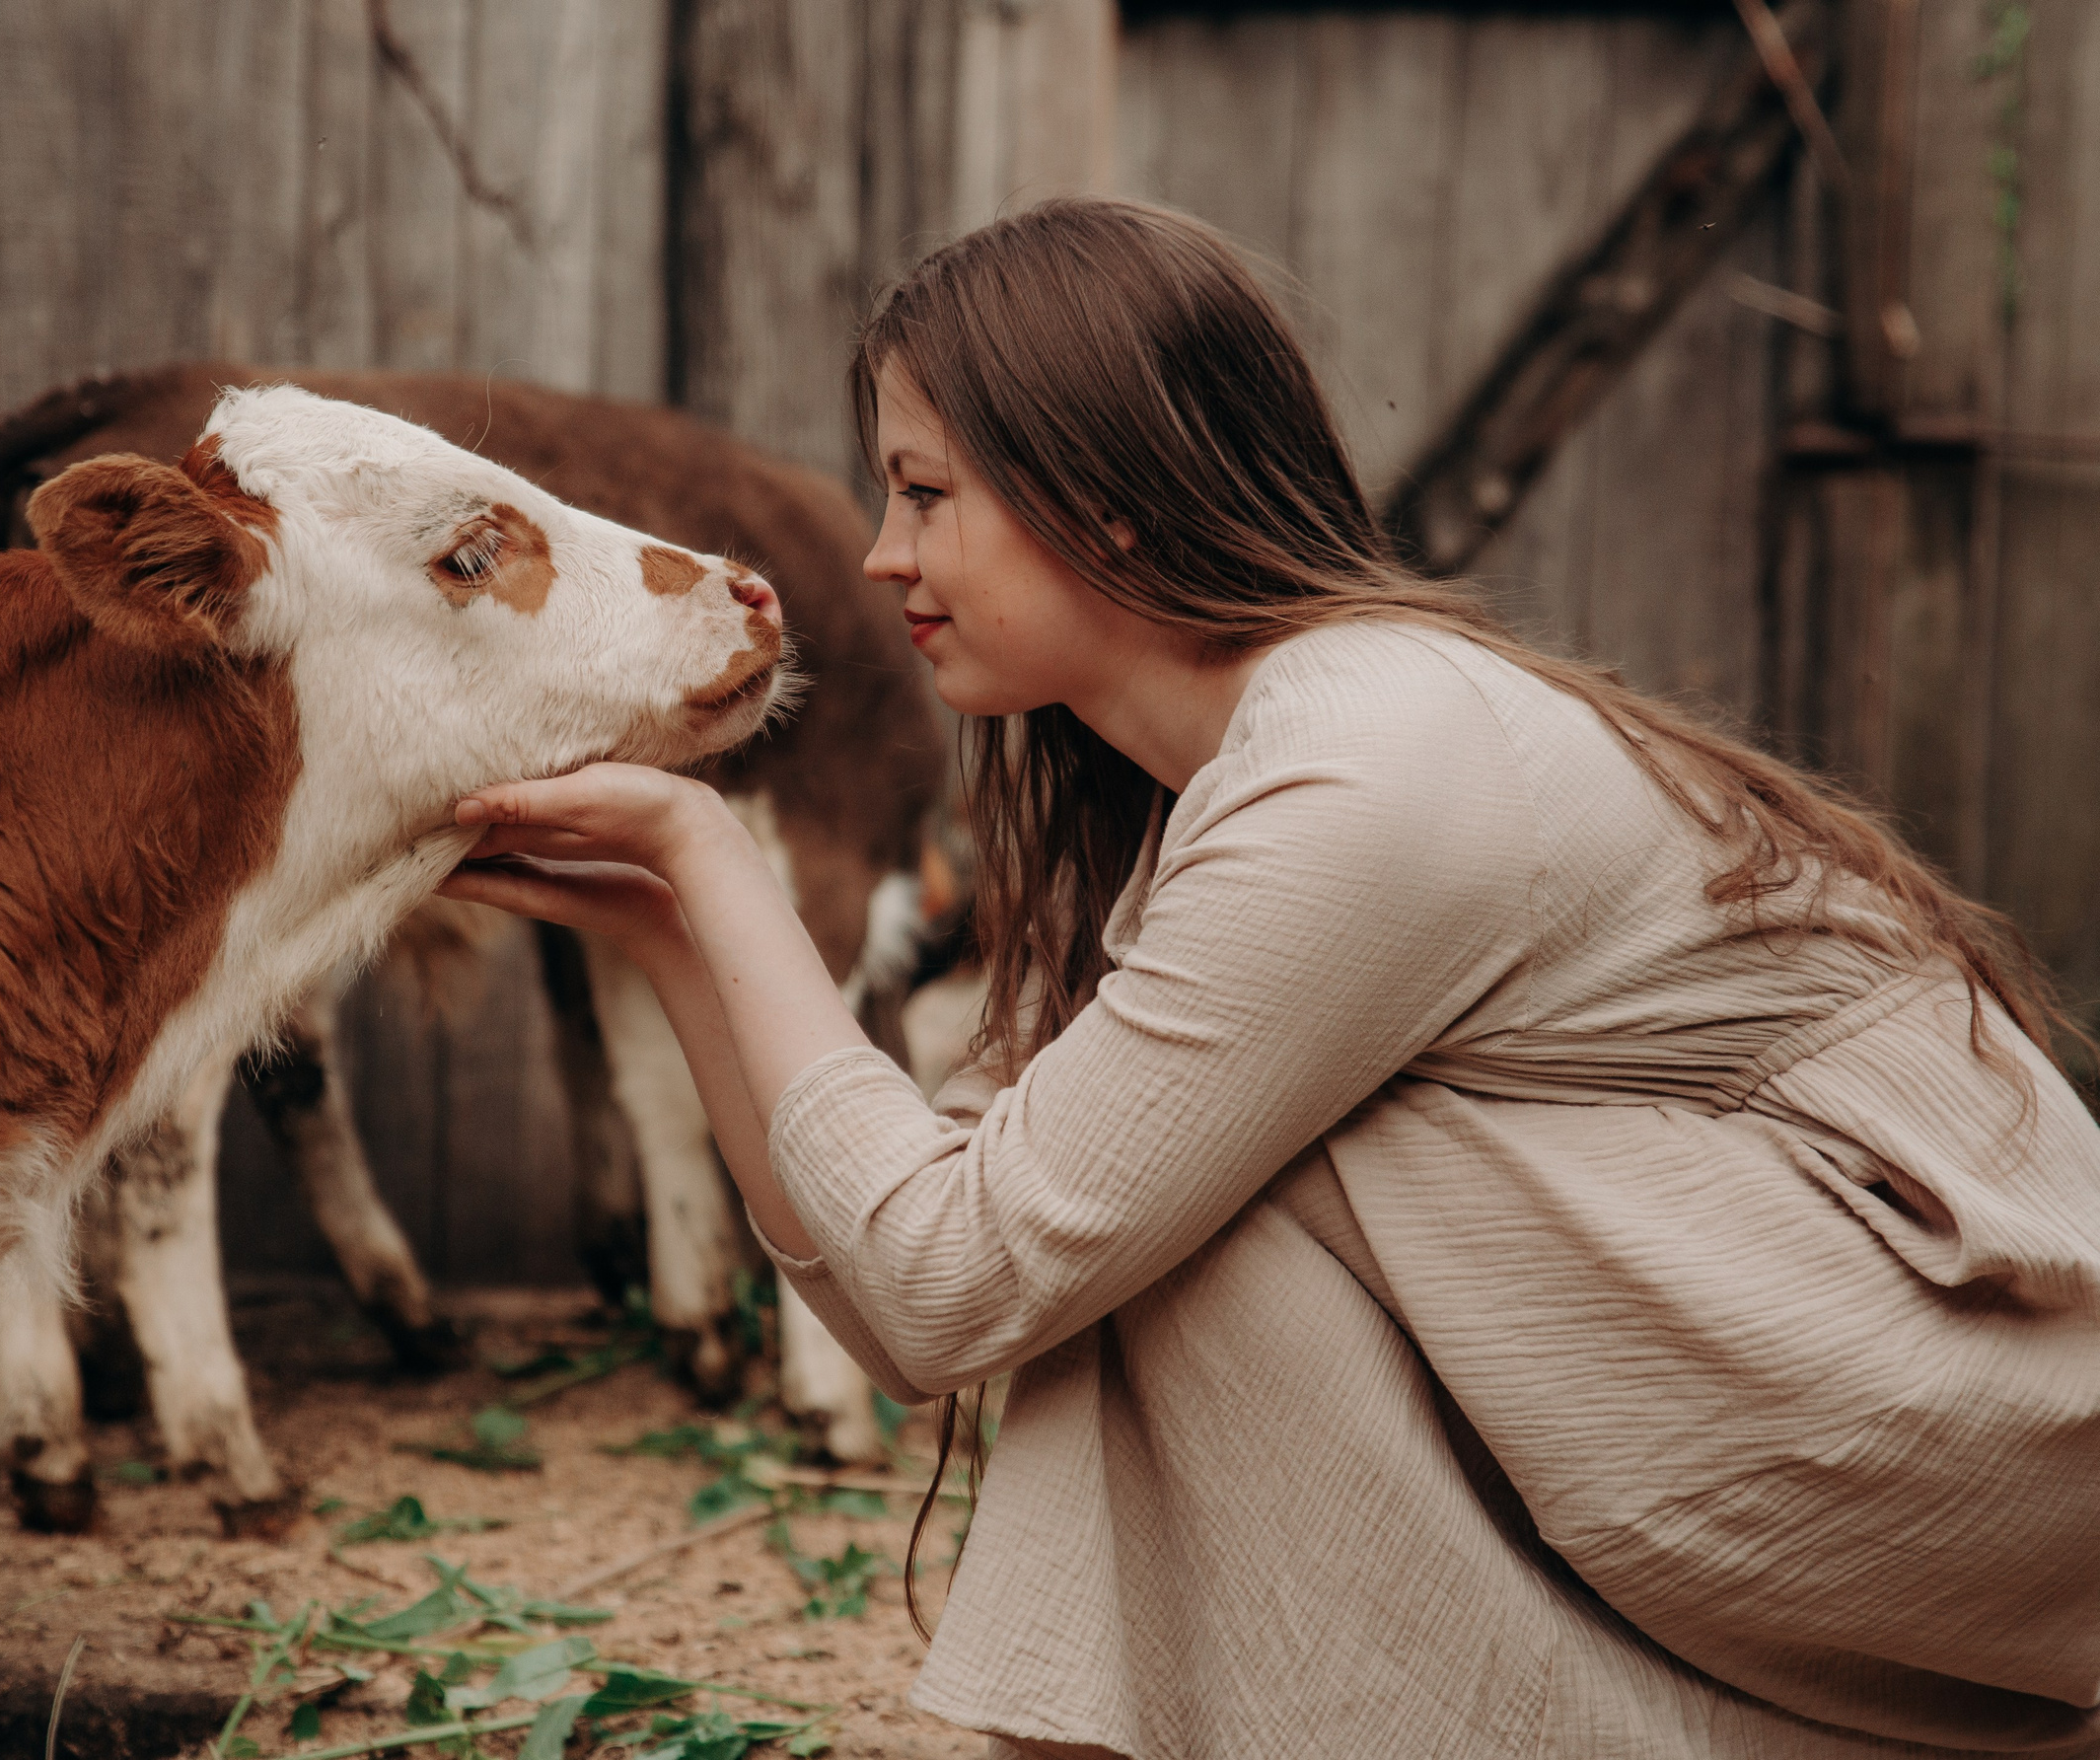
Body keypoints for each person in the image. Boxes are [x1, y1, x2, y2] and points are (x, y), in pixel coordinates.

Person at [438, 198, 2100, 1759]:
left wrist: (716, 863)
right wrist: (666, 921)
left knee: (1185, 1214)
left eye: (926, 494)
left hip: (1960, 1420)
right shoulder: (1219, 783)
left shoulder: (1363, 768)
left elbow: (952, 1278)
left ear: (1104, 497)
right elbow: (901, 1301)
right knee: (1121, 1201)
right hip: (1778, 1394)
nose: (881, 557)